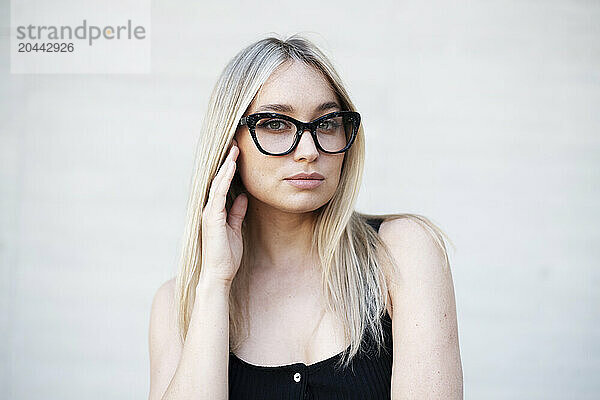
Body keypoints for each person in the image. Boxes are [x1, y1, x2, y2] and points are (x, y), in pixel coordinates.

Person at [148, 34, 463, 400]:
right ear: (228, 142)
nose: (309, 151)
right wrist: (215, 285)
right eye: (276, 124)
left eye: (327, 123)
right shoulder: (179, 303)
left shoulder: (402, 253)